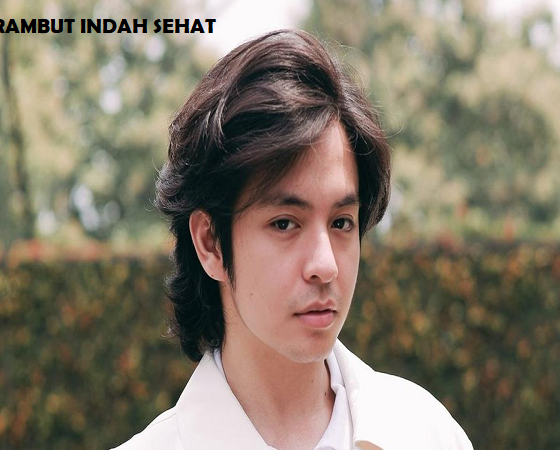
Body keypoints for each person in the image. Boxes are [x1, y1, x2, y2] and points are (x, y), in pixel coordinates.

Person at [113, 29, 473, 450]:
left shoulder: (426, 433)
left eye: (341, 222)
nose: (326, 265)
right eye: (285, 224)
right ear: (210, 243)